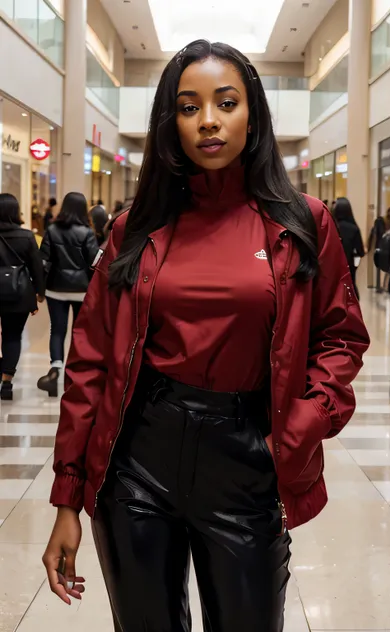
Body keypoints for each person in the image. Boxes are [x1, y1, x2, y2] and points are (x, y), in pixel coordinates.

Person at [42, 40, 370, 631]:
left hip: (246, 457)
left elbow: (341, 338)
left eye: (226, 102)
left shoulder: (302, 223)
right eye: (189, 107)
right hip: (138, 460)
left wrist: (301, 424)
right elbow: (89, 360)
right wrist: (68, 495)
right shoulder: (133, 229)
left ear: (255, 114)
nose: (209, 121)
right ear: (171, 122)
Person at [37, 192, 98, 398]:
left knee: (57, 330)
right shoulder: (87, 232)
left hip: (56, 288)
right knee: (78, 332)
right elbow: (94, 262)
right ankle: (74, 376)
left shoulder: (52, 230)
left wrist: (39, 289)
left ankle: (55, 370)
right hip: (81, 290)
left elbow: (43, 261)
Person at [0, 193, 44, 400]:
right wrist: (40, 292)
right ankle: (6, 382)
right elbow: (37, 267)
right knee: (12, 336)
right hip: (18, 294)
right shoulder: (26, 237)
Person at [333, 197, 365, 299]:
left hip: (331, 268)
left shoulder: (331, 226)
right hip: (348, 268)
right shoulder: (354, 229)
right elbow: (361, 252)